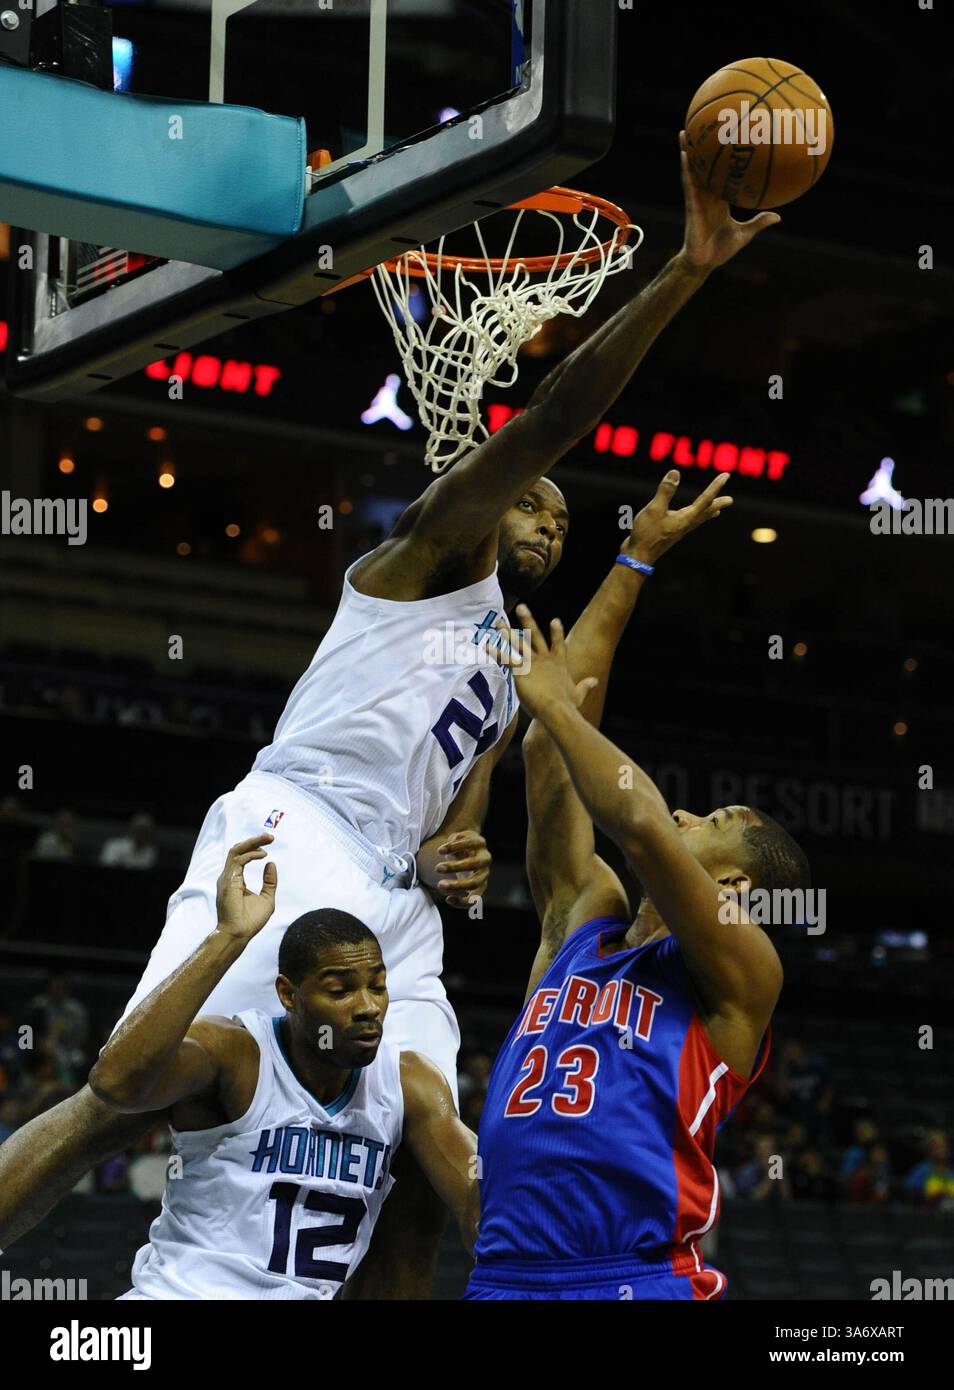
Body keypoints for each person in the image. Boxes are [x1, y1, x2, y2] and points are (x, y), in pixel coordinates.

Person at [0, 133, 780, 1293]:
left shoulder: (505, 653)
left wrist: (456, 840)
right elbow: (558, 415)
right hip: (299, 829)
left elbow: (530, 733)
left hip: (400, 896)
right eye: (539, 501)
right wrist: (685, 270)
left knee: (426, 1160)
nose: (549, 522)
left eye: (564, 525)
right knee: (137, 1094)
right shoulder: (426, 559)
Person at [464, 585, 809, 1299]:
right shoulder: (584, 921)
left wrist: (558, 705)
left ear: (736, 883)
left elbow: (643, 826)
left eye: (709, 820)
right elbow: (545, 752)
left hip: (633, 1276)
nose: (683, 812)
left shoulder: (745, 973)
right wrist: (636, 559)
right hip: (503, 1274)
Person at [90, 836, 476, 1299]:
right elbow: (116, 1083)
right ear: (289, 995)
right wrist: (227, 937)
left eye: (377, 986)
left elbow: (485, 1208)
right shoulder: (233, 1052)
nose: (368, 1007)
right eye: (340, 990)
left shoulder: (409, 1083)